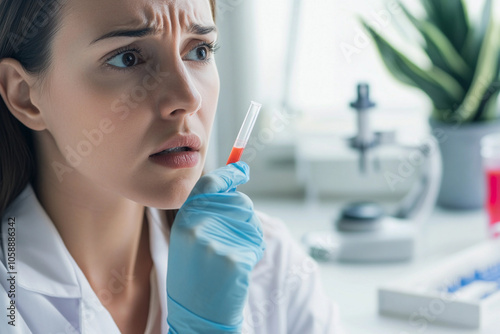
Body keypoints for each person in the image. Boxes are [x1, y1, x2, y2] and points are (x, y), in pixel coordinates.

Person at [0, 0, 343, 333]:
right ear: (24, 96)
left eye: (199, 51)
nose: (188, 97)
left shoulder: (271, 264)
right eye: (128, 58)